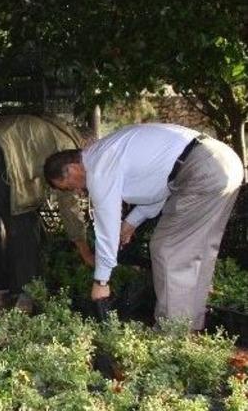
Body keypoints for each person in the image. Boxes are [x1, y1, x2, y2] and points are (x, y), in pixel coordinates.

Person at [45, 124, 243, 330]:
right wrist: (130, 224)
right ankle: (190, 327)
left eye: (70, 187)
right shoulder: (107, 151)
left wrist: (101, 281)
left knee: (168, 250)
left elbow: (107, 227)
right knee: (197, 249)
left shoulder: (98, 168)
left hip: (202, 169)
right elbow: (157, 191)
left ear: (72, 168)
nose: (77, 191)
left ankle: (170, 336)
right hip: (221, 162)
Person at [0, 114, 89, 311]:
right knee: (25, 221)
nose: (80, 188)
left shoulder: (56, 131)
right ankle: (25, 295)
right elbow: (67, 200)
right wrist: (83, 247)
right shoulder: (69, 150)